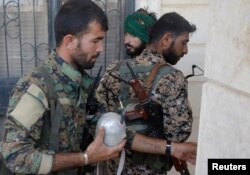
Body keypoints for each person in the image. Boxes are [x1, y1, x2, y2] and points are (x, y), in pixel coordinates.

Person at [0, 1, 196, 174]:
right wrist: (85, 158)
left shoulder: (83, 86)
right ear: (69, 41)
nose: (101, 49)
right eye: (95, 41)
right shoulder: (37, 85)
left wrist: (172, 148)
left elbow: (118, 134)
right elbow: (14, 156)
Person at [96, 11, 196, 174]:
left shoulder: (113, 70)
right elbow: (178, 136)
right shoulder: (173, 78)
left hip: (116, 168)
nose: (185, 50)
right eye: (183, 43)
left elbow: (99, 121)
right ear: (166, 39)